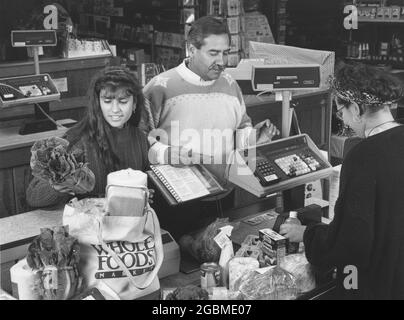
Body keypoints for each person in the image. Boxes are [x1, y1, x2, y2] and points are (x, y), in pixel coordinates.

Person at [140, 16, 279, 239]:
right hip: (178, 201)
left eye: (225, 52)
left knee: (218, 259)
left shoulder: (230, 85)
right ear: (191, 49)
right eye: (213, 53)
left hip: (225, 195)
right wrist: (168, 154)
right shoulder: (159, 87)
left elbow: (240, 128)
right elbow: (141, 140)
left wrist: (255, 138)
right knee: (180, 268)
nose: (222, 60)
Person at [280, 62, 404, 299]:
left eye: (341, 112)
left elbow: (352, 242)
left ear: (356, 108)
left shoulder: (363, 154)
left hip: (380, 285)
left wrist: (308, 235)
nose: (344, 122)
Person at [26, 66, 152, 208]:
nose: (115, 109)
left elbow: (145, 179)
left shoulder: (140, 138)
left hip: (128, 223)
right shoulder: (78, 141)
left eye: (123, 102)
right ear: (98, 103)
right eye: (107, 101)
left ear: (134, 104)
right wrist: (56, 187)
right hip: (88, 224)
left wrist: (144, 193)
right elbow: (33, 196)